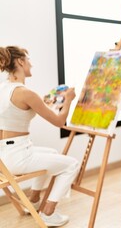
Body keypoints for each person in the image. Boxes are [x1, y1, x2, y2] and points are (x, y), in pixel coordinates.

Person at [0, 46, 80, 226]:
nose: (31, 64)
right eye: (28, 60)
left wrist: (44, 101)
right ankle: (49, 212)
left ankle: (34, 200)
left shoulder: (4, 88)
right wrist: (68, 100)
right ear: (20, 61)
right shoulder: (26, 93)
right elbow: (60, 122)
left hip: (4, 156)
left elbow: (16, 110)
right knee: (72, 165)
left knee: (51, 152)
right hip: (17, 155)